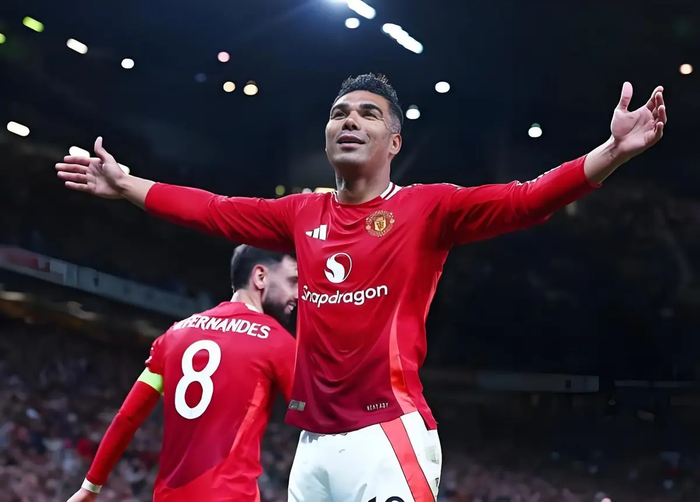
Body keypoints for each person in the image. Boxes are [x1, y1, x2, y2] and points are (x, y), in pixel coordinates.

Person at [56, 73, 667, 502]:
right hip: (312, 452)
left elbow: (525, 201)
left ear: (395, 142)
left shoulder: (427, 208)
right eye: (339, 114)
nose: (349, 120)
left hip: (387, 436)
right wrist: (127, 183)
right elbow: (213, 210)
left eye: (368, 113)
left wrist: (611, 152)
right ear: (327, 138)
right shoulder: (301, 213)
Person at [66, 245, 298, 502]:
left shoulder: (175, 334)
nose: (298, 294)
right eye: (292, 281)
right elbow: (315, 421)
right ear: (260, 277)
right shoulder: (278, 342)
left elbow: (127, 418)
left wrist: (90, 486)